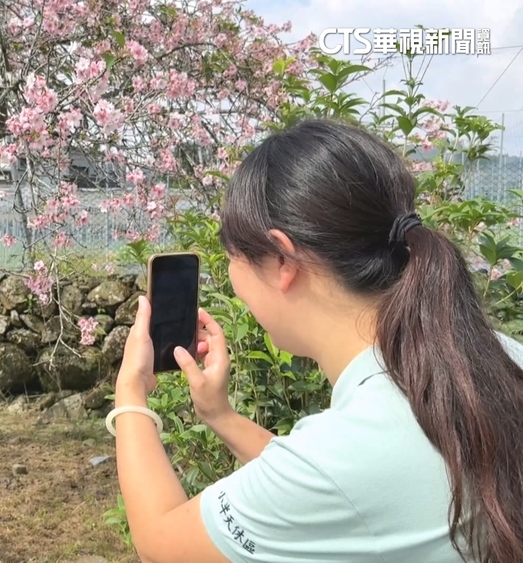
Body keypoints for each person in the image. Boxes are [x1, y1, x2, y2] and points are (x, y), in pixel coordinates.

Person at [108, 119, 523, 563]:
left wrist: (130, 390)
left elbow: (160, 543)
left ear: (282, 260)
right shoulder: (497, 355)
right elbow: (332, 489)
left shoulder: (350, 450)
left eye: (232, 257)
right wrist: (220, 415)